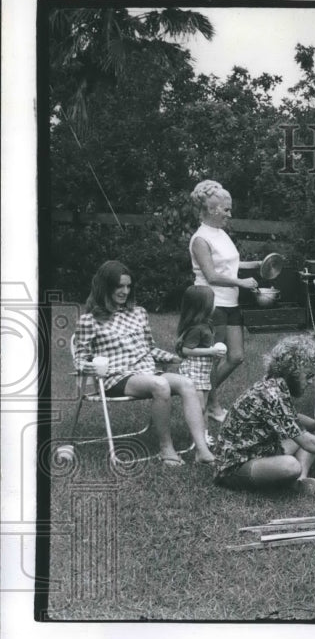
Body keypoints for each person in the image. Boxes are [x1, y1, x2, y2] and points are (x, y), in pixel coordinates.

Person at [72, 260, 216, 466]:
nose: (125, 291)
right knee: (160, 384)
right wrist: (95, 367)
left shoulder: (138, 313)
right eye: (119, 286)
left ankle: (202, 450)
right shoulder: (89, 320)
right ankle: (166, 449)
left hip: (147, 372)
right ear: (105, 286)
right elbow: (79, 360)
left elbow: (149, 349)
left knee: (187, 383)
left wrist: (175, 358)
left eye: (128, 286)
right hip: (116, 377)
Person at [213, 334, 315, 492]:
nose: (310, 381)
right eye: (308, 375)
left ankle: (300, 481)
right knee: (290, 465)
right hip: (233, 467)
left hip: (259, 451)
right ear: (291, 370)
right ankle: (295, 477)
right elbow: (307, 443)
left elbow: (291, 416)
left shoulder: (275, 384)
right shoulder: (271, 393)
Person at [188, 179, 261, 424]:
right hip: (211, 302)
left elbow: (229, 264)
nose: (230, 214)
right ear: (211, 210)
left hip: (230, 302)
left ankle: (199, 394)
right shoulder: (200, 239)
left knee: (236, 356)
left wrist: (255, 266)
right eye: (226, 210)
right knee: (214, 357)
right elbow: (211, 275)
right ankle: (212, 404)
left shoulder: (221, 234)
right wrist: (241, 283)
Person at [175, 285, 228, 437]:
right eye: (212, 302)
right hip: (194, 371)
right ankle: (199, 437)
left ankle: (204, 434)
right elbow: (187, 350)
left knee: (203, 406)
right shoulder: (196, 328)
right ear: (202, 307)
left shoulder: (206, 325)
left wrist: (213, 354)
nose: (215, 305)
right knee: (199, 407)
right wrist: (211, 351)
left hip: (203, 372)